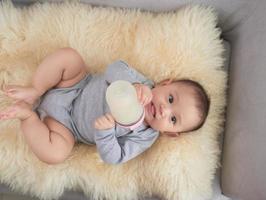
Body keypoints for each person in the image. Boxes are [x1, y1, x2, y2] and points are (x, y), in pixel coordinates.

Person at [0, 47, 210, 165]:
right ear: (165, 84)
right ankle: (36, 89)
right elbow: (113, 68)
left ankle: (28, 117)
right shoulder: (142, 84)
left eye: (173, 119)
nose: (165, 109)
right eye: (171, 99)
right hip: (75, 85)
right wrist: (132, 85)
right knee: (70, 58)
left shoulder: (144, 136)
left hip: (67, 127)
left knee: (56, 153)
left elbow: (115, 157)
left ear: (169, 133)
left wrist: (106, 134)